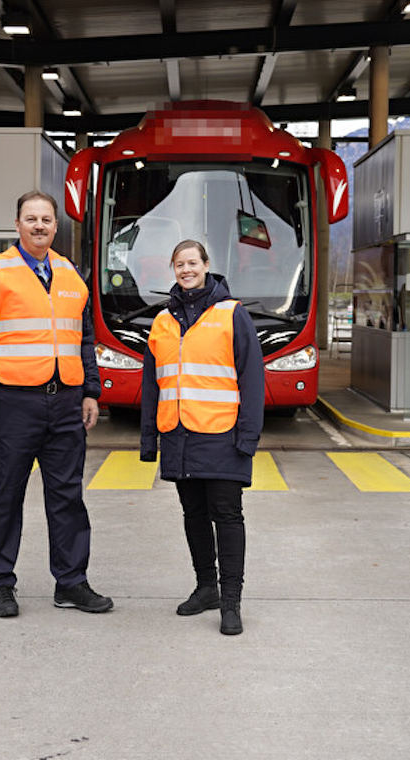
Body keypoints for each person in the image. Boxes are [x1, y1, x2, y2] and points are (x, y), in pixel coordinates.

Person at [0, 190, 112, 618]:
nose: (39, 226)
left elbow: (83, 339)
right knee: (6, 495)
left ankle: (72, 583)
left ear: (55, 226)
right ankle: (1, 585)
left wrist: (90, 391)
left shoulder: (71, 273)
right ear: (17, 225)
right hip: (12, 403)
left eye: (46, 219)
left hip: (65, 403)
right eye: (31, 219)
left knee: (67, 496)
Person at [139, 239, 264, 636]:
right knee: (193, 515)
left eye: (192, 262)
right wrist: (149, 441)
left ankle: (231, 603)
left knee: (227, 516)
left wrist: (248, 437)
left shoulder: (232, 314)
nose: (186, 269)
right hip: (178, 436)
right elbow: (151, 385)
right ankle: (205, 588)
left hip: (222, 436)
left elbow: (252, 378)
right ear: (172, 269)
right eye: (179, 264)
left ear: (207, 265)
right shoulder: (162, 321)